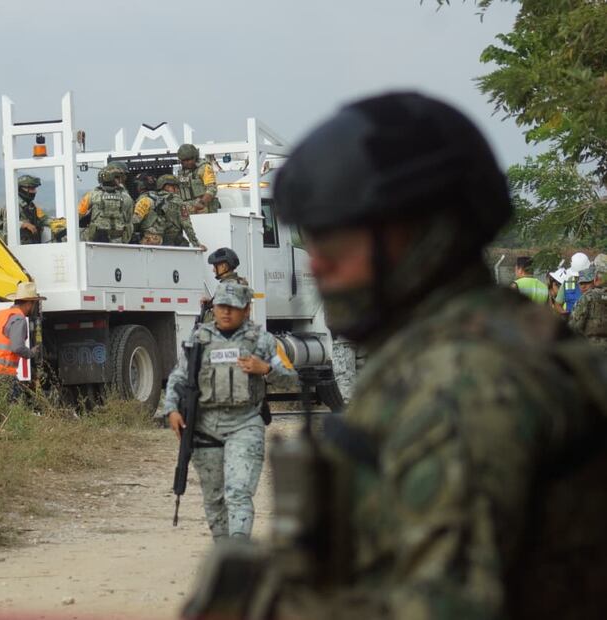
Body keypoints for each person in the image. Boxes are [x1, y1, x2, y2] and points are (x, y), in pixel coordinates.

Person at [187, 92, 607, 619]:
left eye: (338, 244)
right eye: (312, 244)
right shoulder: (496, 341)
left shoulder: (465, 384)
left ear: (424, 234)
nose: (318, 268)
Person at [162, 281, 296, 541]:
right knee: (214, 497)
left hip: (245, 424)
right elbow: (179, 377)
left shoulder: (262, 341)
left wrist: (266, 369)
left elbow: (293, 378)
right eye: (221, 306)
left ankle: (238, 548)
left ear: (246, 309)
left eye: (233, 307)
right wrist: (171, 410)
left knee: (238, 492)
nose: (225, 312)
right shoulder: (198, 340)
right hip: (204, 427)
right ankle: (225, 551)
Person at [0, 281, 44, 386]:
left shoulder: (0, 315)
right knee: (16, 401)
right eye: (35, 303)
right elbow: (17, 347)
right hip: (0, 374)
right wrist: (31, 353)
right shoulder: (18, 318)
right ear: (29, 304)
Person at [80, 168, 134, 243]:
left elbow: (79, 215)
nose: (120, 180)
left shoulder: (92, 195)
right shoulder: (126, 197)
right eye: (117, 177)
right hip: (119, 240)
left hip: (96, 239)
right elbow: (129, 221)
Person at [0, 174, 50, 245]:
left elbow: (43, 219)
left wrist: (55, 223)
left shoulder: (32, 206)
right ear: (21, 189)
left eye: (34, 188)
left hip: (32, 247)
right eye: (31, 188)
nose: (34, 191)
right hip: (17, 250)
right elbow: (7, 226)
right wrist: (23, 224)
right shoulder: (11, 206)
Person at [157, 174, 204, 248]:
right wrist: (197, 245)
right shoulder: (177, 201)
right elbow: (186, 225)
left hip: (153, 241)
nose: (178, 190)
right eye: (176, 187)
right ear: (167, 187)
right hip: (171, 241)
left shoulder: (150, 198)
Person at [569, 266, 607, 352]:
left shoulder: (586, 298)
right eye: (581, 283)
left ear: (594, 281)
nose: (583, 286)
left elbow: (574, 327)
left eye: (587, 283)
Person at [176, 143, 219, 214]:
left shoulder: (204, 168)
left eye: (190, 159)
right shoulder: (182, 172)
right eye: (185, 160)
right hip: (187, 209)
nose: (188, 162)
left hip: (202, 208)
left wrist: (201, 203)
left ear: (195, 157)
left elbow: (212, 189)